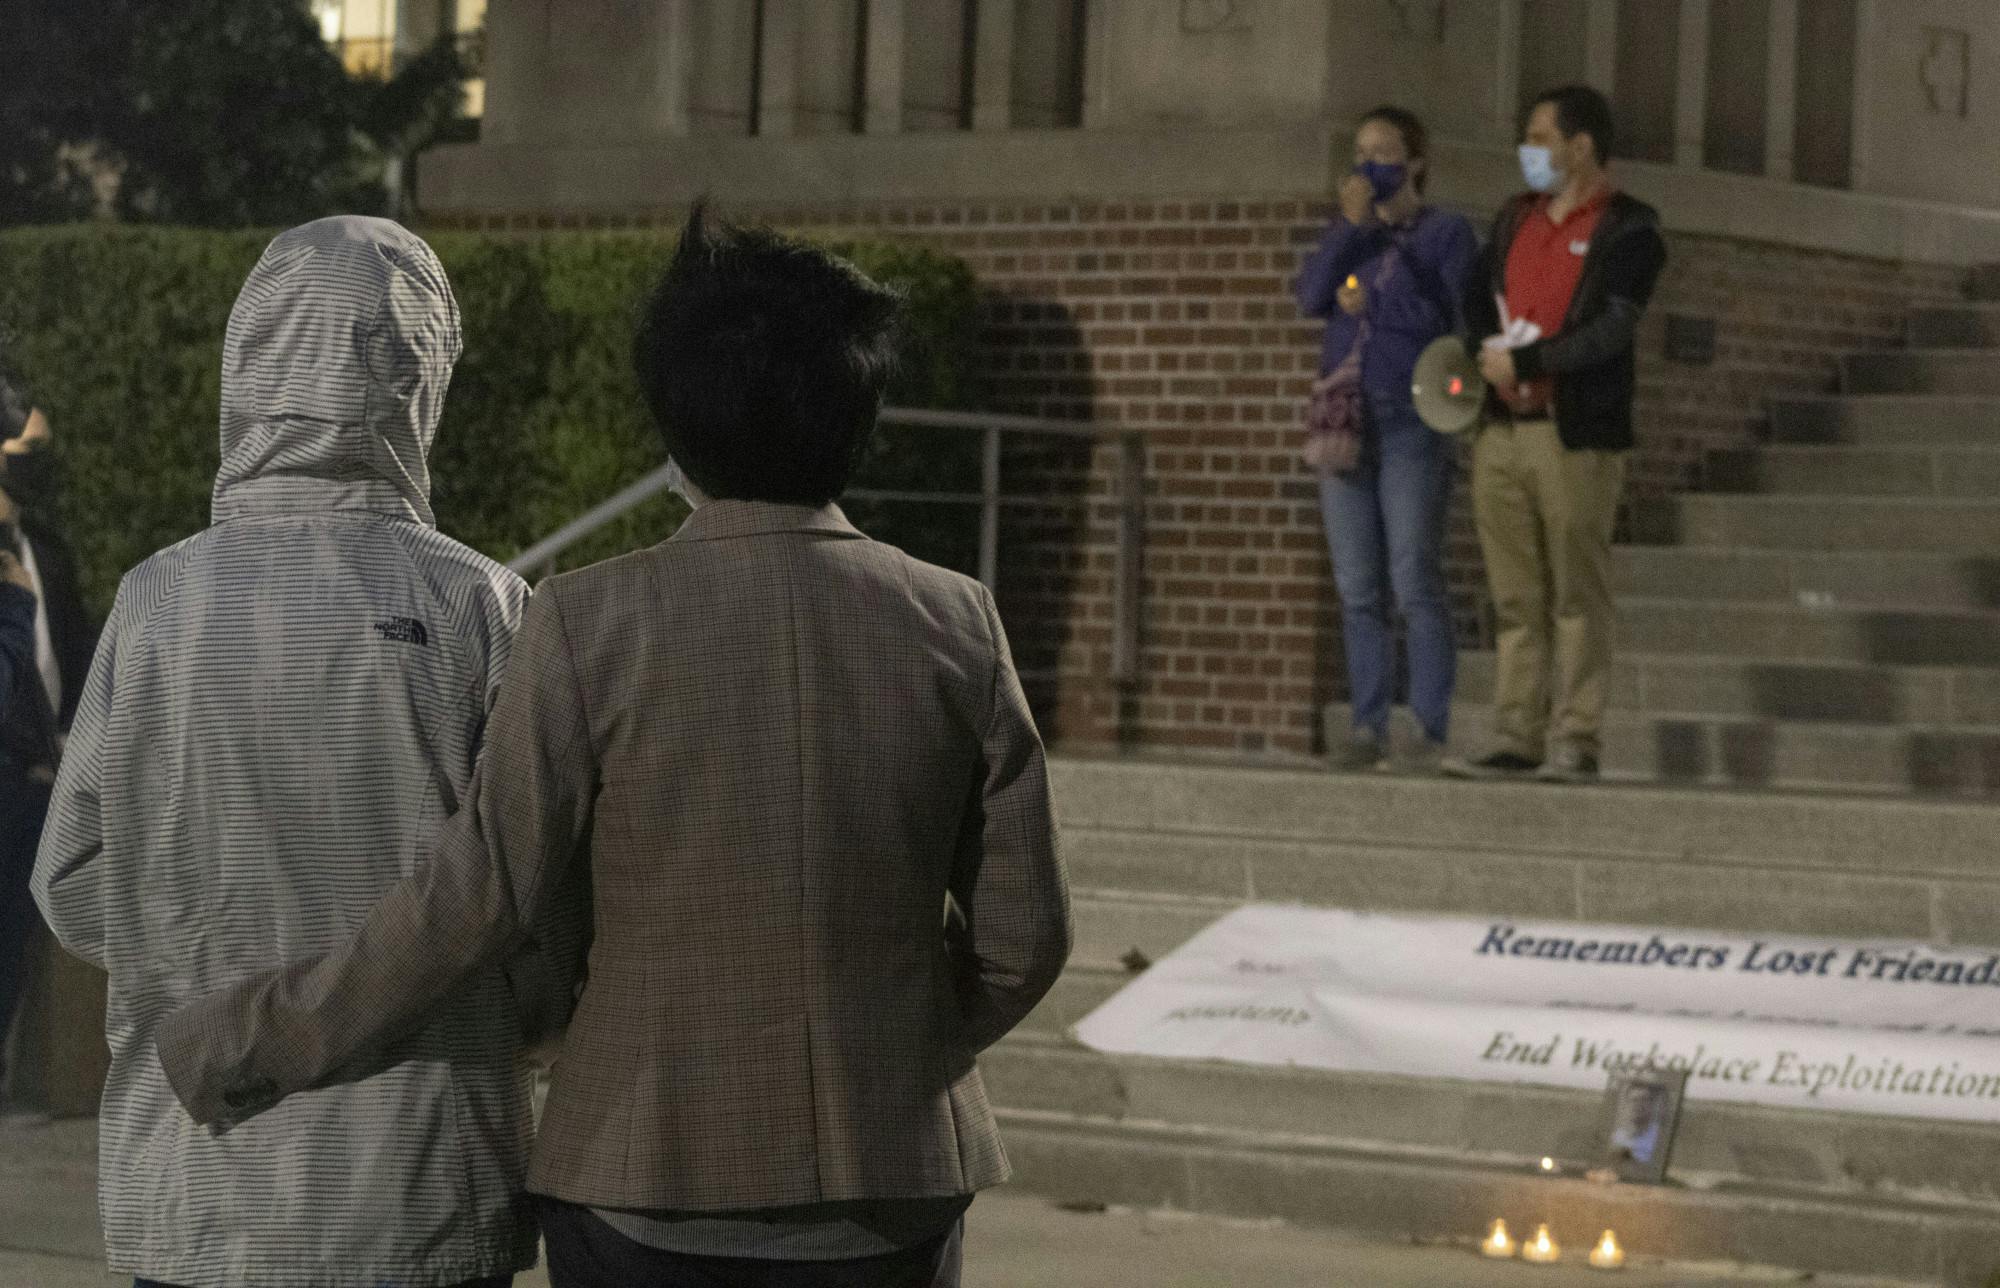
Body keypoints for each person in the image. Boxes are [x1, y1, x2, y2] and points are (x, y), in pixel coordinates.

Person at [153, 208, 1073, 1288]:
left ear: (673, 422)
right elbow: (1025, 937)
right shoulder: (955, 621)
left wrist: (246, 1038)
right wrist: (892, 1049)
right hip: (891, 1183)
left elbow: (479, 899)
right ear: (857, 417)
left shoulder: (590, 619)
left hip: (643, 1170)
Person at [30, 217, 579, 1288]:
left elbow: (70, 877)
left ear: (247, 361)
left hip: (200, 1174)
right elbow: (535, 890)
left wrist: (210, 966)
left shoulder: (159, 600)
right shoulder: (477, 603)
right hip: (420, 1173)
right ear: (418, 380)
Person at [1449, 85, 1667, 784]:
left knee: (1576, 589)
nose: (1529, 150)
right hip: (1503, 429)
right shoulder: (1516, 219)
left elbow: (1610, 329)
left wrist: (1532, 360)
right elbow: (1477, 291)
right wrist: (1484, 347)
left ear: (1581, 146)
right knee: (1515, 593)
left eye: (1540, 137)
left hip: (1573, 434)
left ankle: (1576, 735)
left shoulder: (1630, 230)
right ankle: (1517, 731)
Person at [1296, 106, 1478, 774]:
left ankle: (1428, 727)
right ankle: (1368, 725)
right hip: (1346, 420)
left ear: (1416, 163)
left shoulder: (1445, 233)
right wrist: (1351, 228)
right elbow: (1310, 293)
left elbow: (1448, 313)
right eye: (1361, 153)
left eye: (1385, 153)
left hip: (1412, 416)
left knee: (1413, 574)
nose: (1369, 165)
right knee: (1358, 584)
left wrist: (1377, 300)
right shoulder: (1354, 237)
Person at [0, 375, 96, 1106]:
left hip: (43, 784)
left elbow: (76, 652)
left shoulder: (46, 550)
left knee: (21, 949)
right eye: (20, 449)